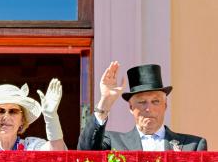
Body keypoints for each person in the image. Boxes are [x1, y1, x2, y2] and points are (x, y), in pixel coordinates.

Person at [77, 61, 207, 151]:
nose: (148, 108)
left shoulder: (192, 146)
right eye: (142, 102)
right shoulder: (114, 143)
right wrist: (105, 101)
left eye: (155, 101)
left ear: (165, 105)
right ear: (131, 107)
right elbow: (86, 153)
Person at [0, 79, 67, 151]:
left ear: (22, 120)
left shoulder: (33, 147)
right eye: (0, 111)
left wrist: (51, 117)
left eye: (13, 111)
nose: (6, 116)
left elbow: (58, 155)